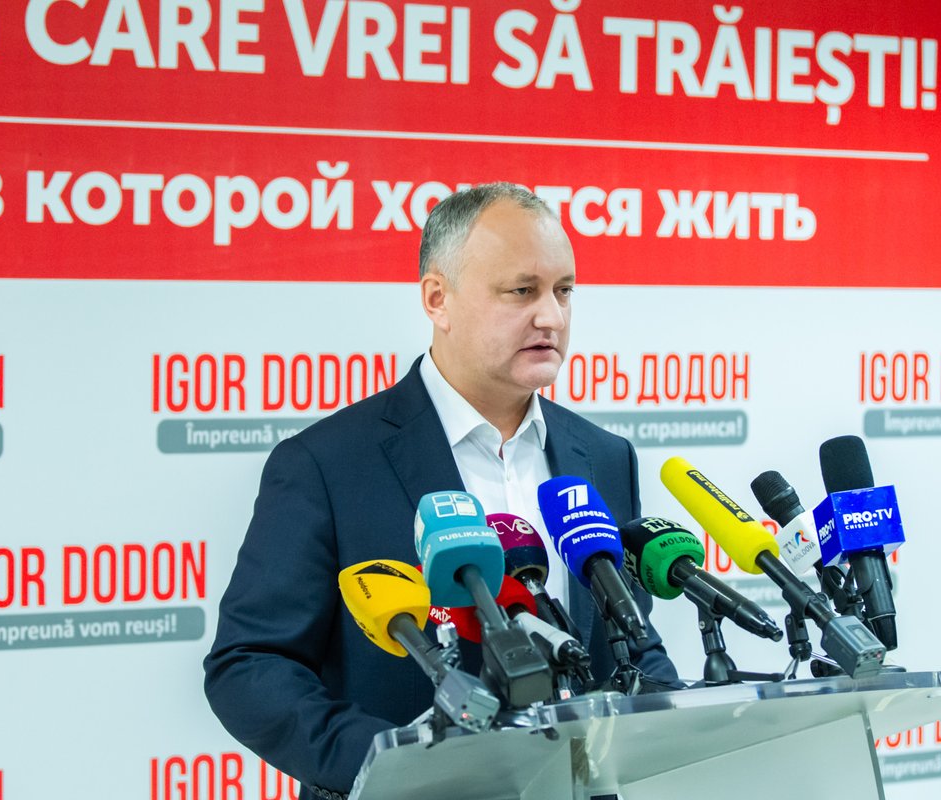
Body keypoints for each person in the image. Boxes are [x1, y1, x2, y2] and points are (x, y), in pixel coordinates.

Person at [203, 183, 678, 798]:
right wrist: (394, 766)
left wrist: (688, 717)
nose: (552, 318)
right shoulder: (326, 464)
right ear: (437, 299)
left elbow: (630, 643)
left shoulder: (605, 458)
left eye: (564, 291)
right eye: (522, 291)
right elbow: (249, 665)